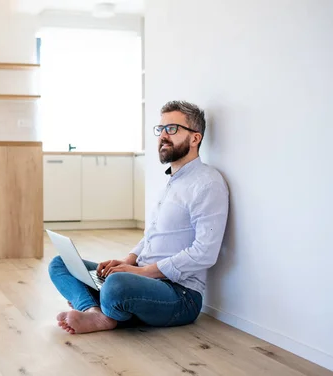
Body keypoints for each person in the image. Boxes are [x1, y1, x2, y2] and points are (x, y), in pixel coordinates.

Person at [48, 100, 229, 334]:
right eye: (160, 129)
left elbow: (205, 253)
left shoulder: (207, 183)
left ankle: (107, 310)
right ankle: (95, 311)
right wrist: (128, 261)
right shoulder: (171, 183)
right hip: (142, 280)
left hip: (180, 294)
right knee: (60, 264)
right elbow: (152, 236)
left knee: (116, 284)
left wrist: (141, 272)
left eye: (172, 129)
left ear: (195, 138)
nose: (163, 135)